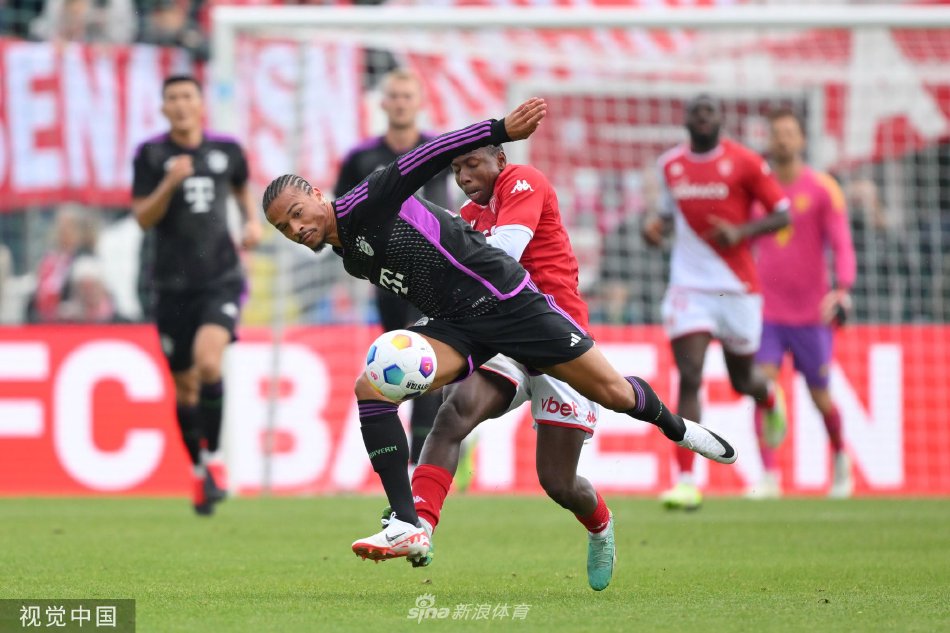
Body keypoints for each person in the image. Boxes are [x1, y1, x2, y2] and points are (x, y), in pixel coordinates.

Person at [262, 98, 738, 567]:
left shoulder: (367, 200)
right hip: (460, 322)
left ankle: (679, 430)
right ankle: (410, 524)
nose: (297, 227)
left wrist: (500, 129)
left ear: (318, 195)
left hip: (508, 303)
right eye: (285, 226)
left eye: (299, 212)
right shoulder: (349, 252)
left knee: (609, 401)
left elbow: (426, 155)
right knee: (383, 391)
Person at [370, 143, 617, 590]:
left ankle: (600, 525)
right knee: (453, 414)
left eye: (473, 164)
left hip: (559, 340)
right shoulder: (466, 217)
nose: (464, 176)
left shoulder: (524, 182)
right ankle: (419, 527)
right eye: (457, 168)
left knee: (559, 484)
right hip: (502, 336)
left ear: (500, 161)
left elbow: (503, 254)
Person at [642, 94, 790, 511]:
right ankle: (687, 480)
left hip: (737, 287)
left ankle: (768, 397)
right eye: (697, 111)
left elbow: (782, 213)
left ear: (720, 118)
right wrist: (653, 230)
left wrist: (742, 232)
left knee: (743, 380)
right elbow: (668, 217)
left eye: (710, 111)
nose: (703, 117)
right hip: (689, 286)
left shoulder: (745, 162)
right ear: (687, 119)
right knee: (689, 376)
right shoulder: (670, 164)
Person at [131, 74, 261, 516]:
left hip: (219, 278)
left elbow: (243, 186)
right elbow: (143, 218)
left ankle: (216, 460)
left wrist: (250, 220)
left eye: (188, 96)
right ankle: (198, 468)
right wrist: (169, 182)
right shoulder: (151, 155)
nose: (181, 105)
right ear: (164, 108)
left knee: (210, 361)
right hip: (170, 286)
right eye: (172, 98)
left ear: (201, 104)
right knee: (184, 388)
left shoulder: (226, 151)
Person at [333, 68, 451, 469]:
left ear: (419, 103)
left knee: (427, 366)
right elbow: (341, 216)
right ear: (382, 103)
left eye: (407, 96)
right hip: (389, 279)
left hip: (437, 276)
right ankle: (419, 458)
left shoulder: (441, 151)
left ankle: (423, 463)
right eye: (393, 96)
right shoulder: (361, 158)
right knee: (397, 369)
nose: (400, 102)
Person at [747, 109, 856, 499]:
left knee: (820, 396)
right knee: (762, 387)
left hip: (812, 314)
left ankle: (841, 460)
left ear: (801, 140)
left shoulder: (823, 188)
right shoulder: (758, 189)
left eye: (790, 133)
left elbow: (842, 244)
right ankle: (769, 476)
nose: (783, 140)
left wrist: (842, 288)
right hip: (768, 313)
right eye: (776, 133)